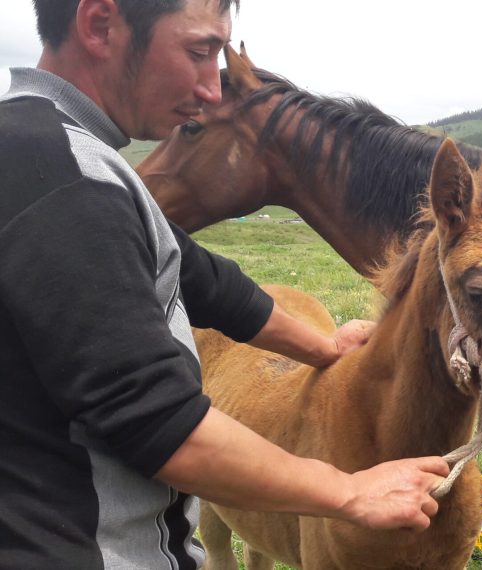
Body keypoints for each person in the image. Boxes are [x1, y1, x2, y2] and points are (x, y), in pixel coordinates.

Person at [0, 1, 448, 567]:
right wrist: (349, 491)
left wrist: (322, 345)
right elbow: (158, 422)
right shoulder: (59, 172)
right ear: (99, 25)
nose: (212, 90)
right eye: (199, 50)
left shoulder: (54, 148)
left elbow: (198, 275)